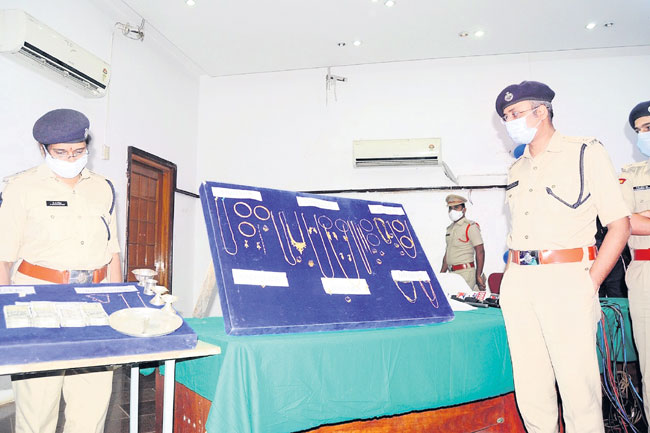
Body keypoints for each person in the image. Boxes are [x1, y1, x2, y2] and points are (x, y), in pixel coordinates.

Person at [496, 81, 630, 432]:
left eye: (515, 113)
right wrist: (509, 280)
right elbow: (518, 232)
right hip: (519, 282)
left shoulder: (585, 152)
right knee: (531, 389)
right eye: (506, 117)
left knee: (578, 390)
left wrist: (590, 283)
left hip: (567, 279)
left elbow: (619, 225)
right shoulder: (517, 168)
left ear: (541, 111)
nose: (509, 122)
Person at [0, 109, 122, 433]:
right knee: (37, 409)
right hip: (39, 303)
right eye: (61, 152)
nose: (71, 158)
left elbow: (112, 253)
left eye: (78, 151)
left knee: (91, 407)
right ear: (43, 149)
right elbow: (3, 258)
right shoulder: (20, 188)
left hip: (95, 304)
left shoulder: (104, 188)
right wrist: (8, 317)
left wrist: (117, 306)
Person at [618, 99, 650, 423]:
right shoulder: (631, 175)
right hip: (646, 272)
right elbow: (623, 221)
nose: (644, 135)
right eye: (640, 130)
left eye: (649, 127)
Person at [439, 194, 486, 291]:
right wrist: (441, 275)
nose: (452, 211)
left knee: (462, 299)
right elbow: (448, 254)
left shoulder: (470, 227)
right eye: (450, 208)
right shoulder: (450, 229)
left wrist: (478, 275)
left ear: (464, 210)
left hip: (465, 273)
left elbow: (480, 251)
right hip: (451, 274)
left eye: (456, 207)